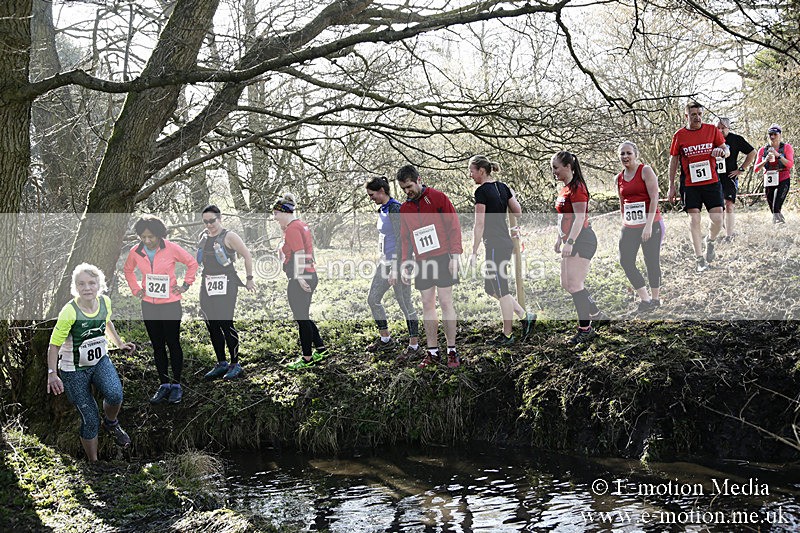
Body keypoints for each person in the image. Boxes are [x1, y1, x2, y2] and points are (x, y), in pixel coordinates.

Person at [46, 263, 136, 461]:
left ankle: (111, 423)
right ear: (75, 287)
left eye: (91, 283)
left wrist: (119, 343)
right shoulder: (69, 312)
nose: (87, 288)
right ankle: (94, 463)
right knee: (90, 418)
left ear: (99, 284)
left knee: (115, 394)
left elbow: (106, 322)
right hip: (73, 370)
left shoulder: (105, 302)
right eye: (81, 284)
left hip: (99, 361)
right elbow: (54, 345)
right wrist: (52, 373)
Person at [123, 215, 198, 404]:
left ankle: (177, 385)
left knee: (173, 342)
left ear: (159, 235)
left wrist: (185, 285)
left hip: (171, 304)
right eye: (143, 237)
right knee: (157, 345)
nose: (147, 240)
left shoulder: (171, 247)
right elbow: (128, 270)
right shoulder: (135, 251)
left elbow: (192, 263)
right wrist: (136, 289)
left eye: (151, 237)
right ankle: (164, 384)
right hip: (148, 304)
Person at [396, 165, 463, 368]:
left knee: (445, 302)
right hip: (422, 261)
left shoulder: (438, 198)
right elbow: (405, 239)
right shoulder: (405, 209)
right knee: (427, 304)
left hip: (443, 257)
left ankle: (452, 350)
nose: (407, 191)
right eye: (403, 189)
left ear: (418, 179)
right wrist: (405, 263)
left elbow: (454, 226)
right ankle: (432, 351)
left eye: (409, 186)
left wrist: (455, 256)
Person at [467, 155, 536, 345]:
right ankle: (525, 316)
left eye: (471, 171)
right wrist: (509, 194)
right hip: (503, 243)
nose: (470, 175)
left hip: (496, 244)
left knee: (501, 289)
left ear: (481, 170)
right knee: (490, 288)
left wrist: (473, 251)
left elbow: (478, 224)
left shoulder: (481, 191)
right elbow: (518, 211)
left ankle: (507, 335)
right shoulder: (503, 187)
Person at [667, 101, 729, 273]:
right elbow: (673, 160)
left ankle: (710, 241)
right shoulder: (679, 135)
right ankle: (699, 259)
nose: (697, 117)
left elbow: (726, 149)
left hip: (711, 183)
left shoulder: (712, 130)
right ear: (686, 116)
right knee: (694, 219)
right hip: (690, 185)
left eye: (700, 114)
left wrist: (722, 152)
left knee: (718, 220)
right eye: (693, 114)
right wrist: (671, 185)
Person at [364, 177, 421, 361]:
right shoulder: (383, 209)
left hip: (400, 262)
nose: (371, 198)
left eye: (372, 195)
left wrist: (396, 268)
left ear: (382, 190)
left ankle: (414, 345)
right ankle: (385, 338)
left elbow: (401, 240)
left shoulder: (396, 208)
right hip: (385, 262)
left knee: (405, 303)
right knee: (373, 299)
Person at [553, 151, 607, 345]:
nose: (554, 172)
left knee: (575, 284)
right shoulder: (564, 189)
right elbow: (563, 218)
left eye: (556, 167)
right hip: (570, 239)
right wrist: (559, 239)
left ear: (568, 166)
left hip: (582, 239)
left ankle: (585, 329)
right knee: (567, 283)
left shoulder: (578, 188)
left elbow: (579, 219)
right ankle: (597, 314)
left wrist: (570, 242)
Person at [197, 205, 255, 381]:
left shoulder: (230, 236)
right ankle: (221, 363)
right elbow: (198, 260)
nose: (209, 225)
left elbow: (247, 255)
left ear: (219, 218)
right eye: (206, 222)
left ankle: (235, 363)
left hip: (227, 282)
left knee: (225, 322)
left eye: (212, 221)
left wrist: (249, 278)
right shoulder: (203, 236)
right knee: (211, 323)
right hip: (207, 282)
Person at [273, 194, 328, 370]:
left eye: (276, 213)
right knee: (303, 315)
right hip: (309, 274)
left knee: (301, 318)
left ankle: (306, 358)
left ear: (284, 212)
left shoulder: (292, 228)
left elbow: (300, 252)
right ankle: (320, 349)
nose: (274, 217)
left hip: (302, 276)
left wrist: (299, 277)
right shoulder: (300, 225)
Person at [616, 141, 664, 312]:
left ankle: (656, 299)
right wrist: (624, 222)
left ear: (635, 154)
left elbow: (654, 198)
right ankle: (645, 299)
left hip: (651, 224)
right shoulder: (619, 178)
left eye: (628, 153)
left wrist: (649, 225)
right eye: (622, 154)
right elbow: (622, 203)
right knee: (625, 261)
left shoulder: (645, 170)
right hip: (630, 226)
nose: (625, 156)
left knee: (651, 261)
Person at [715, 118, 756, 241]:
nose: (721, 130)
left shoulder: (736, 139)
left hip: (730, 176)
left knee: (729, 204)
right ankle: (721, 230)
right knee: (717, 207)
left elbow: (752, 152)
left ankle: (729, 234)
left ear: (728, 128)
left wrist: (741, 169)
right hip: (714, 176)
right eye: (718, 128)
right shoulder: (710, 139)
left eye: (723, 128)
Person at [754, 124, 795, 224]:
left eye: (775, 134)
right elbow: (756, 169)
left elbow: (790, 164)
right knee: (772, 208)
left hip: (783, 178)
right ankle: (781, 224)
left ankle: (777, 226)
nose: (772, 137)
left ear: (780, 135)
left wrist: (778, 155)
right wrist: (765, 160)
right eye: (770, 134)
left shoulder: (786, 147)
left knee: (776, 206)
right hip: (769, 179)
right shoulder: (763, 150)